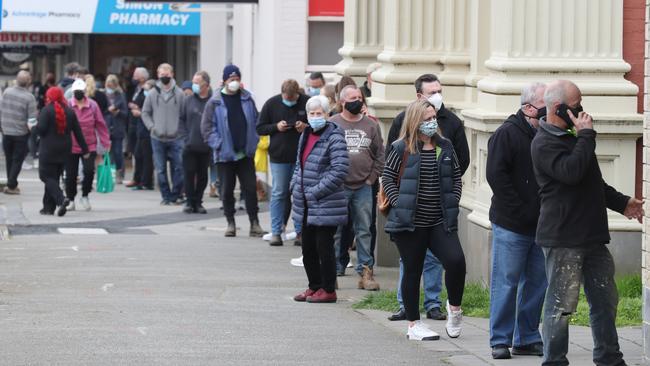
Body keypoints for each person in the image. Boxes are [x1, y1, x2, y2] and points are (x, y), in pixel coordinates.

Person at [530, 80, 644, 366]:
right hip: (563, 238)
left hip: (592, 237)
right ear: (559, 108)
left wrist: (623, 204)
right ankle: (554, 361)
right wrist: (586, 136)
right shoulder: (544, 143)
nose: (583, 112)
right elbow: (571, 172)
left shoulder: (574, 138)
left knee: (605, 300)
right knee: (561, 306)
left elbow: (593, 182)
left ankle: (609, 357)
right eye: (577, 105)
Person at [387, 73, 470, 322]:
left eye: (434, 118)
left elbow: (458, 171)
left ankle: (444, 305)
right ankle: (412, 320)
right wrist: (399, 202)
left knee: (455, 261)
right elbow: (388, 176)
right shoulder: (401, 144)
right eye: (428, 119)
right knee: (411, 269)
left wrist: (452, 199)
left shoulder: (446, 141)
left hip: (439, 219)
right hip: (410, 220)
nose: (433, 121)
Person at [486, 83, 548, 360]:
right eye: (545, 107)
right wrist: (521, 211)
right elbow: (497, 177)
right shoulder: (506, 134)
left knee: (537, 283)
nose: (550, 113)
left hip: (543, 225)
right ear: (527, 108)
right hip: (512, 224)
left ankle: (527, 337)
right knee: (507, 283)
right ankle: (500, 339)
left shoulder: (547, 133)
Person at [292, 95, 349, 303]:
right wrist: (294, 185)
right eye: (312, 113)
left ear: (327, 114)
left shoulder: (334, 136)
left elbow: (339, 170)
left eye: (319, 113)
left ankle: (328, 289)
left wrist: (315, 191)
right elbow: (299, 164)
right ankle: (314, 286)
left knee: (323, 248)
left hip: (326, 203)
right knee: (307, 248)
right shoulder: (306, 134)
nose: (315, 117)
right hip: (306, 202)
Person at [201, 64, 266, 237]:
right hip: (225, 155)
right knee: (227, 190)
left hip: (245, 153)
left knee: (250, 188)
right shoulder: (214, 102)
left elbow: (256, 121)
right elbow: (207, 128)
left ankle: (254, 223)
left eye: (237, 79)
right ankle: (230, 222)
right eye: (232, 79)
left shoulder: (247, 99)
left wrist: (254, 140)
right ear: (224, 81)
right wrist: (219, 144)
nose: (235, 82)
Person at [330, 85, 384, 291]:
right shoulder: (332, 123)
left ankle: (365, 271)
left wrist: (371, 179)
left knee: (364, 229)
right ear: (342, 101)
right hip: (338, 186)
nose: (358, 100)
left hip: (363, 186)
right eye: (353, 97)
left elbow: (380, 154)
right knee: (336, 229)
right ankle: (334, 268)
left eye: (360, 97)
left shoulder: (371, 125)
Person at [256, 79, 309, 246]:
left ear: (297, 94)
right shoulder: (272, 104)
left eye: (293, 98)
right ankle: (277, 231)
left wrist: (305, 127)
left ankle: (300, 232)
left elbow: (318, 126)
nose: (290, 101)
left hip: (301, 157)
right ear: (282, 94)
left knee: (300, 195)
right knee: (279, 193)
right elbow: (260, 128)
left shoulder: (306, 102)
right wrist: (275, 127)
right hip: (279, 157)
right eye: (287, 98)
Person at [34, 87, 88, 217]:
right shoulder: (70, 111)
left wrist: (33, 127)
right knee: (53, 178)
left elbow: (40, 130)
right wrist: (85, 149)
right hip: (65, 149)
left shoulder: (46, 111)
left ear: (49, 97)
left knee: (45, 176)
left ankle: (61, 199)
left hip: (48, 149)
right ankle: (48, 208)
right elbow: (78, 132)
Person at [141, 63, 185, 205]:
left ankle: (175, 195)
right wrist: (152, 127)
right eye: (161, 75)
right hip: (157, 137)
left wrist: (181, 130)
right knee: (160, 170)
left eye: (167, 75)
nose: (164, 77)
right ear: (158, 75)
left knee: (178, 168)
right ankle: (165, 197)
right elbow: (145, 113)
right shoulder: (153, 93)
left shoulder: (180, 94)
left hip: (176, 137)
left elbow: (185, 114)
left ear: (172, 74)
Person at [65, 79, 111, 211]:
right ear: (73, 92)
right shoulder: (68, 105)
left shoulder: (93, 105)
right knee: (71, 175)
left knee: (89, 171)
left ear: (85, 92)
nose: (78, 94)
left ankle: (85, 195)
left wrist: (106, 142)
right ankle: (71, 198)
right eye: (76, 92)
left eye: (80, 91)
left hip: (89, 145)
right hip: (71, 145)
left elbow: (101, 125)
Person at [179, 71, 213, 214]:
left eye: (197, 83)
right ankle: (189, 201)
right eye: (193, 82)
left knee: (203, 175)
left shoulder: (212, 102)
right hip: (189, 145)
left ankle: (198, 201)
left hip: (206, 146)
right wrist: (185, 138)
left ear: (206, 85)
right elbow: (181, 120)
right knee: (189, 173)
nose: (194, 85)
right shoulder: (188, 100)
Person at [0, 70, 37, 195]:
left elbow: (1, 110)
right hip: (20, 133)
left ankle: (12, 184)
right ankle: (11, 184)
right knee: (18, 159)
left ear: (16, 79)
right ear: (28, 82)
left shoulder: (6, 92)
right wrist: (34, 133)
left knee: (9, 159)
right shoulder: (29, 97)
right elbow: (32, 119)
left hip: (6, 131)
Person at [126, 68, 154, 190]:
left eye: (136, 75)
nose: (134, 77)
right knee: (138, 154)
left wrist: (140, 111)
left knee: (146, 155)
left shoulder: (149, 93)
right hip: (137, 126)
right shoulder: (137, 89)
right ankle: (138, 179)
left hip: (146, 127)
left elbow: (150, 110)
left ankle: (146, 181)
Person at [104, 74, 128, 185]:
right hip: (106, 126)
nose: (110, 87)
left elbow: (125, 113)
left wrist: (117, 112)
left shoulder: (121, 96)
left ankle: (119, 173)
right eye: (108, 84)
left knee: (118, 152)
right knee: (107, 152)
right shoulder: (103, 95)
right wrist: (108, 110)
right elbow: (100, 111)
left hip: (118, 127)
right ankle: (108, 173)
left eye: (112, 85)